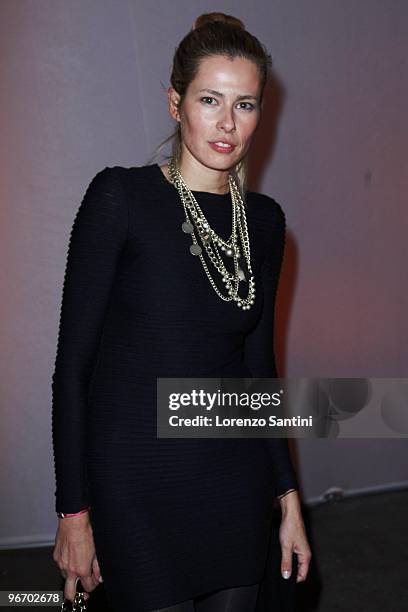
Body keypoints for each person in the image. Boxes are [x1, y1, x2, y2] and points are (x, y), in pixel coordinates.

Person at [52, 12, 311, 612]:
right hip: (136, 485)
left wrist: (289, 498)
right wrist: (74, 513)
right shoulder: (120, 198)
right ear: (176, 103)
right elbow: (72, 369)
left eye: (245, 104)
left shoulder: (266, 224)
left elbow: (257, 369)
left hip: (233, 482)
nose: (227, 123)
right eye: (210, 99)